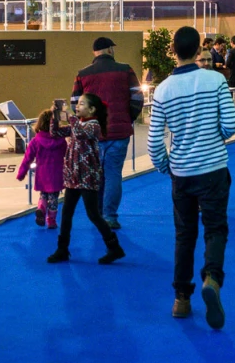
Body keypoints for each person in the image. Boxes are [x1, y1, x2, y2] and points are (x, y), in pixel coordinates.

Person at [148, 26, 235, 329]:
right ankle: (212, 277)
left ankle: (181, 299)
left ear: (173, 51)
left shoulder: (162, 90)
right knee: (215, 228)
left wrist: (166, 167)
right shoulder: (215, 80)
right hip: (213, 170)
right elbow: (230, 125)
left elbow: (154, 142)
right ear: (200, 50)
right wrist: (213, 138)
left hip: (182, 173)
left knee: (184, 235)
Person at [70, 36, 142, 230]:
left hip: (93, 135)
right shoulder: (125, 70)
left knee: (96, 175)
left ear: (94, 52)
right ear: (110, 50)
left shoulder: (83, 74)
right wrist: (128, 118)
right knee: (113, 174)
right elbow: (138, 97)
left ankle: (98, 214)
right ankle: (109, 216)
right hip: (119, 134)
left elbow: (75, 104)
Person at [46, 93, 125, 265]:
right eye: (78, 104)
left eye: (82, 104)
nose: (77, 106)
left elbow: (80, 134)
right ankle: (62, 249)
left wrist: (70, 116)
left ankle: (114, 247)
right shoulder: (77, 124)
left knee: (93, 214)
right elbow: (55, 132)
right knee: (66, 213)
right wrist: (55, 116)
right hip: (73, 177)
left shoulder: (93, 125)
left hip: (88, 177)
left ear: (92, 109)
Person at [16, 108, 66, 229]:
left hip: (42, 173)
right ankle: (51, 220)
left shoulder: (36, 141)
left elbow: (27, 158)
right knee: (54, 197)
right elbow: (67, 154)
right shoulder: (61, 140)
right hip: (57, 173)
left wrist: (21, 173)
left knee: (43, 194)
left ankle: (41, 207)